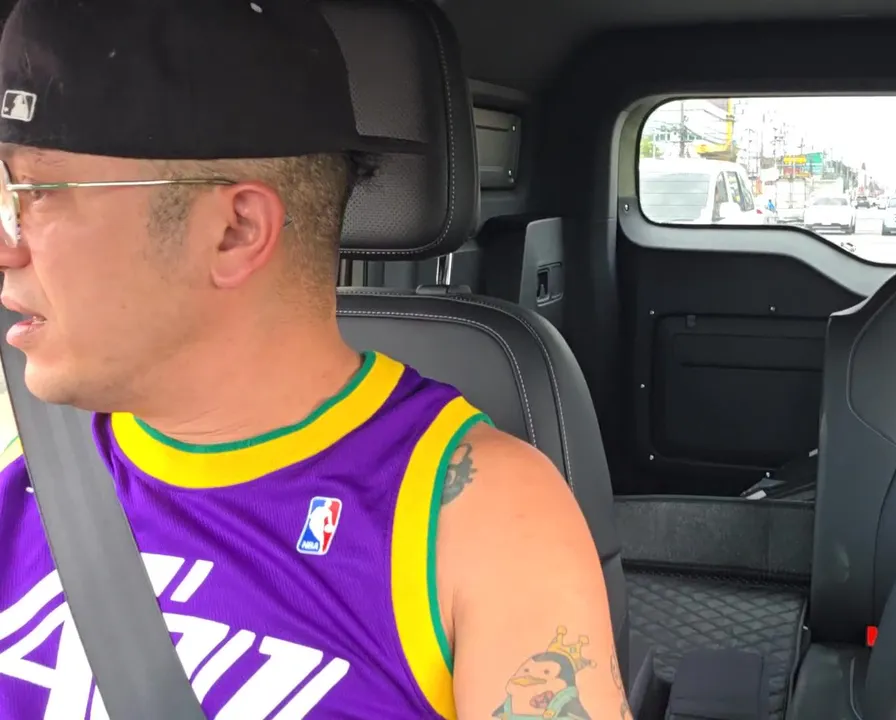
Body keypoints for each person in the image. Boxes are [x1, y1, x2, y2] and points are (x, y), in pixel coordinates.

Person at [0, 1, 630, 719]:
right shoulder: (22, 449)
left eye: (32, 194)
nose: (5, 246)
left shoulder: (481, 521)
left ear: (235, 231)